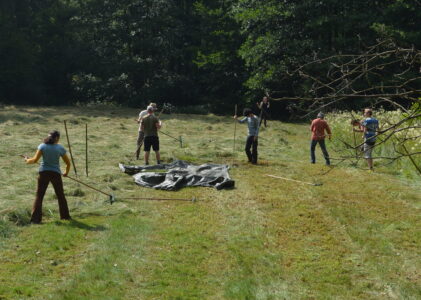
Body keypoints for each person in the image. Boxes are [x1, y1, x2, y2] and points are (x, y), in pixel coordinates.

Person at [23, 130, 71, 224]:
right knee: (60, 195)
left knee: (39, 196)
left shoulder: (42, 146)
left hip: (43, 173)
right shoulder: (60, 148)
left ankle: (35, 220)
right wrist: (66, 173)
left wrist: (27, 160)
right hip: (56, 174)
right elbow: (68, 163)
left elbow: (34, 160)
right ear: (57, 138)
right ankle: (65, 217)